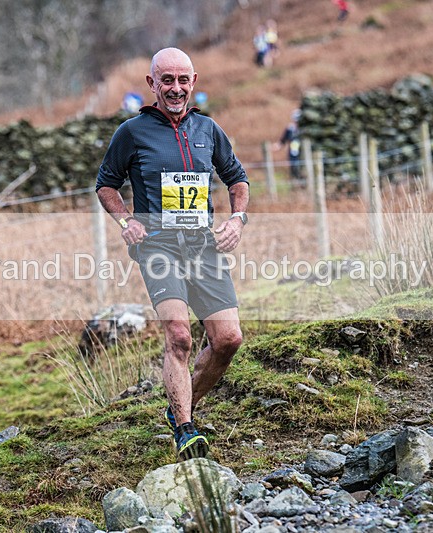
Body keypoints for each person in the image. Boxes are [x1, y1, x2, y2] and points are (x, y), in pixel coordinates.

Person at [96, 47, 250, 462]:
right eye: (167, 80)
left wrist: (237, 220)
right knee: (179, 337)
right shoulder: (131, 132)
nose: (176, 88)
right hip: (159, 248)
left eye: (183, 80)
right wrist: (126, 220)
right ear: (152, 84)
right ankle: (185, 429)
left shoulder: (209, 129)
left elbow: (237, 179)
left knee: (228, 340)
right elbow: (106, 184)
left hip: (203, 246)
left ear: (194, 82)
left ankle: (179, 406)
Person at [274, 109, 303, 186]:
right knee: (294, 169)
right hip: (293, 154)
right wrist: (277, 146)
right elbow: (283, 140)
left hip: (303, 153)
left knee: (302, 169)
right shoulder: (290, 129)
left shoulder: (304, 129)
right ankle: (295, 186)